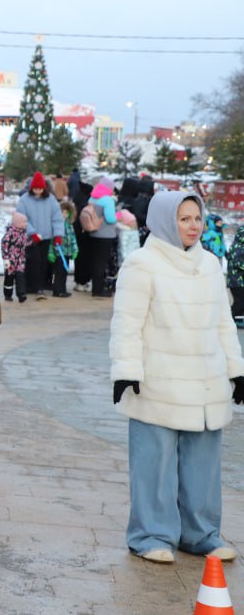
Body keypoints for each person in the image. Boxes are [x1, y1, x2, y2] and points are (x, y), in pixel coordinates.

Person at [110, 190, 244, 564]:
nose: (193, 226)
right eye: (184, 219)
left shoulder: (210, 264)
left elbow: (223, 324)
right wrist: (126, 370)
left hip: (205, 383)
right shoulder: (143, 263)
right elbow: (127, 324)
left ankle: (200, 533)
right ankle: (150, 533)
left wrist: (236, 370)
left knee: (204, 465)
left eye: (197, 218)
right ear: (167, 220)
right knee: (155, 464)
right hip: (159, 382)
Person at [15, 172, 65, 300]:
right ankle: (35, 287)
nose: (38, 191)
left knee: (43, 262)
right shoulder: (24, 200)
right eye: (35, 188)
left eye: (40, 188)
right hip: (31, 238)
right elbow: (22, 218)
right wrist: (32, 232)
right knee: (33, 262)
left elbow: (57, 219)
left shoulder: (51, 200)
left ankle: (40, 285)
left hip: (46, 237)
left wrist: (58, 235)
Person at [85, 178, 119, 299]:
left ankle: (95, 287)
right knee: (101, 263)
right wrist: (118, 215)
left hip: (93, 233)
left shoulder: (93, 198)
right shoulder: (107, 200)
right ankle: (98, 290)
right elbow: (111, 219)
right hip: (105, 235)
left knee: (95, 262)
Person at [1, 212, 30, 303]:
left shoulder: (23, 233)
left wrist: (33, 241)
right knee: (9, 278)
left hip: (20, 260)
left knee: (20, 277)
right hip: (11, 260)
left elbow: (25, 244)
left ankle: (21, 294)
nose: (26, 224)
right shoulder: (10, 233)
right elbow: (4, 245)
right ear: (18, 223)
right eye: (24, 222)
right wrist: (5, 258)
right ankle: (8, 294)